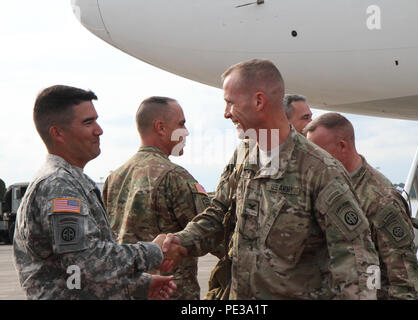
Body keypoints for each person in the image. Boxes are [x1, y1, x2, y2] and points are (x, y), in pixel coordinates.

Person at [163, 58, 380, 300]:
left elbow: (358, 262)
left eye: (230, 103)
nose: (226, 114)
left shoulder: (320, 171)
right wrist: (179, 243)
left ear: (258, 101)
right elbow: (218, 215)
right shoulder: (244, 155)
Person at [13, 85, 183, 300]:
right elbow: (86, 261)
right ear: (58, 133)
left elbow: (73, 275)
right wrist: (153, 251)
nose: (99, 130)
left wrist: (138, 285)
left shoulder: (73, 180)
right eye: (88, 122)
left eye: (96, 120)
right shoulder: (59, 186)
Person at [303, 112, 418, 300]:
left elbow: (404, 280)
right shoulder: (326, 186)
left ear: (342, 146)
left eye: (319, 153)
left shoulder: (380, 200)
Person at [102, 96, 211, 300]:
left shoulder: (114, 178)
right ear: (161, 127)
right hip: (169, 292)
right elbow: (209, 233)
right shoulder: (175, 177)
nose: (186, 132)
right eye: (181, 124)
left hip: (128, 291)